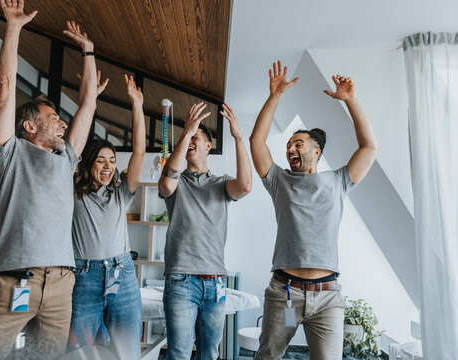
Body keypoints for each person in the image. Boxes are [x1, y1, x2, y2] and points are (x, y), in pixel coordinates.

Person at [0, 0, 108, 358]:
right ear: (29, 126)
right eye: (52, 117)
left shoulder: (66, 159)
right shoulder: (10, 153)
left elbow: (89, 105)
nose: (62, 122)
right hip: (13, 280)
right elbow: (4, 85)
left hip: (62, 284)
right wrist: (14, 27)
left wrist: (89, 51)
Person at [250, 61, 377, 359]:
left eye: (298, 144)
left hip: (327, 298)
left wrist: (351, 101)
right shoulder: (279, 180)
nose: (290, 149)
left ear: (316, 151)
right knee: (269, 355)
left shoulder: (339, 181)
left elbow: (369, 147)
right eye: (288, 146)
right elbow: (257, 140)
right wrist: (275, 96)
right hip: (287, 295)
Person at [158, 102, 252, 359]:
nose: (190, 140)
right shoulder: (176, 183)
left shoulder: (221, 184)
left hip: (215, 282)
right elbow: (166, 184)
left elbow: (245, 186)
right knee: (178, 352)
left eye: (196, 137)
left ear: (208, 146)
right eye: (188, 137)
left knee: (210, 353)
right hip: (181, 280)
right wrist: (187, 132)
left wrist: (238, 137)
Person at [68, 74, 145, 359]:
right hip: (84, 276)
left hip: (121, 274)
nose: (108, 166)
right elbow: (73, 146)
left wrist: (137, 105)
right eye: (100, 160)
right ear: (88, 163)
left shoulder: (121, 194)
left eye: (112, 161)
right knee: (79, 351)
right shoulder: (73, 192)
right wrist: (90, 99)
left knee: (127, 350)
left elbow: (139, 152)